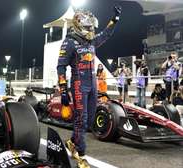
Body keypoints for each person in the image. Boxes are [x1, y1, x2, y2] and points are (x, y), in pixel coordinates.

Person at [57, 6, 121, 168]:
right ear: (78, 26)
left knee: (90, 119)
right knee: (81, 119)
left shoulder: (91, 40)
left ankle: (72, 142)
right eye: (88, 27)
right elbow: (61, 67)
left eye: (92, 27)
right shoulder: (69, 42)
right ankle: (81, 155)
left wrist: (114, 19)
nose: (91, 29)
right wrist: (63, 90)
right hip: (79, 83)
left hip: (92, 83)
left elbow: (106, 34)